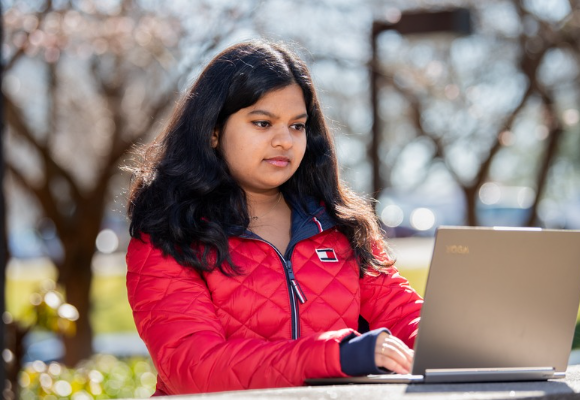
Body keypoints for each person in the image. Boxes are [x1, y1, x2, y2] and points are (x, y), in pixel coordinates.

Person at [125, 39, 423, 396]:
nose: (285, 141)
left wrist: (455, 344)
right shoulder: (167, 236)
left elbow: (407, 319)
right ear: (214, 130)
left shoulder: (342, 226)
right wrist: (334, 355)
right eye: (263, 123)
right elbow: (194, 369)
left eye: (297, 126)